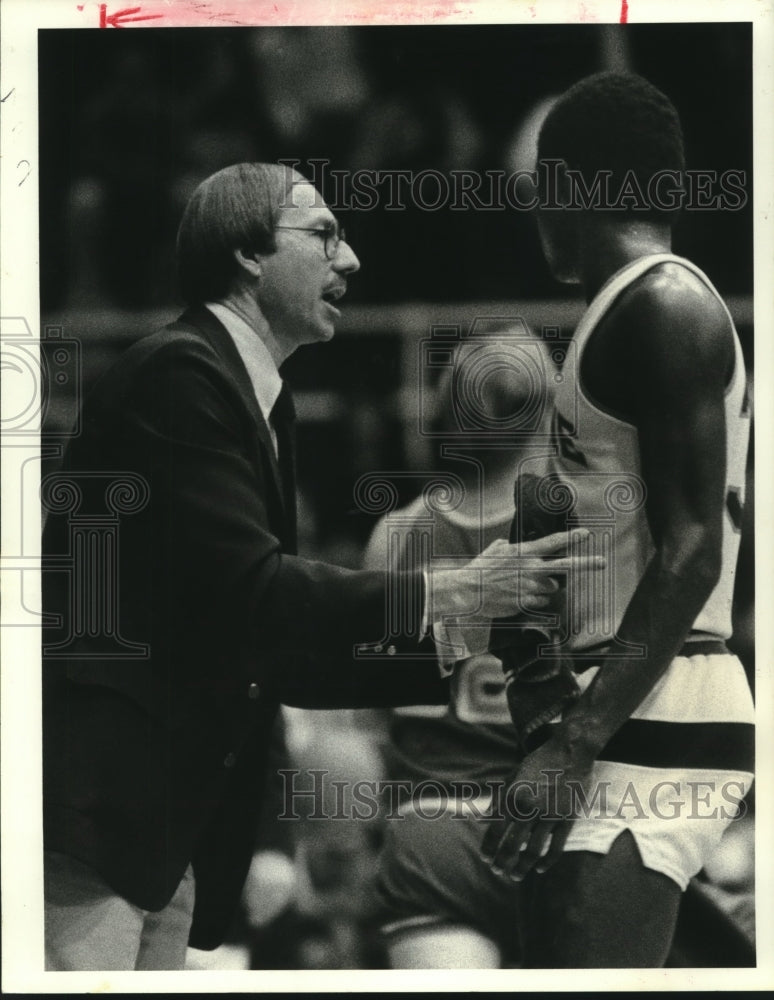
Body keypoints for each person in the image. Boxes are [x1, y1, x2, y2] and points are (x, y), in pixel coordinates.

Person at [40, 163, 597, 971]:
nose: (353, 259)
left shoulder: (255, 397)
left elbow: (271, 649)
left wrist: (463, 633)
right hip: (101, 816)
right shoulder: (179, 376)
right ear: (247, 256)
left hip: (163, 827)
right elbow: (260, 597)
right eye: (324, 235)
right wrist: (449, 590)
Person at [480, 72, 755, 968]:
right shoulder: (620, 314)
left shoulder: (665, 308)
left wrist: (575, 743)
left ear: (564, 187)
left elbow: (690, 556)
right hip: (619, 696)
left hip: (659, 699)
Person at [364, 330, 556, 968]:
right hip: (551, 829)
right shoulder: (581, 528)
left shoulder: (395, 534)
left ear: (449, 408)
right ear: (552, 407)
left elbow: (370, 716)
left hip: (430, 831)